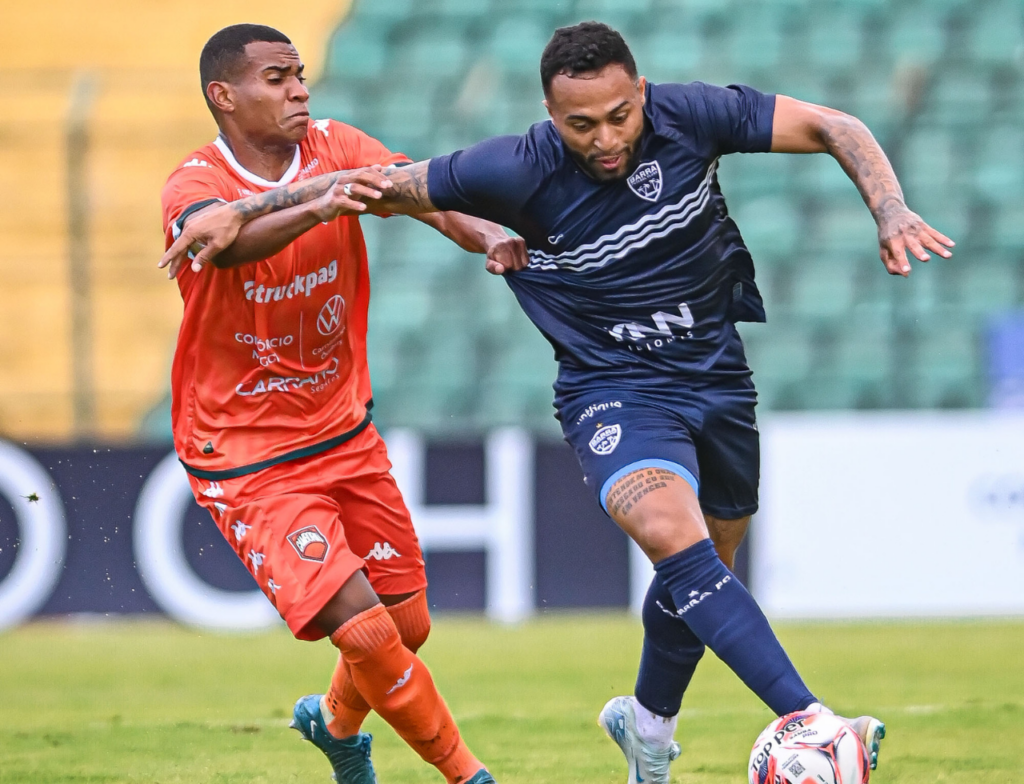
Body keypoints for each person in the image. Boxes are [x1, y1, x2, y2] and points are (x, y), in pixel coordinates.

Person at [164, 21, 956, 784]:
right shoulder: (513, 167)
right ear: (550, 117)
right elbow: (380, 190)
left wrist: (889, 208)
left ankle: (647, 726)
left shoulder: (694, 114)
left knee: (700, 563)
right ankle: (807, 718)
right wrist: (250, 208)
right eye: (583, 125)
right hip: (608, 388)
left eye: (620, 116)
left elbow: (832, 124)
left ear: (642, 93)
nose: (607, 139)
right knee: (669, 535)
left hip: (715, 376)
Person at [159, 23, 528, 784]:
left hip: (341, 429)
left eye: (299, 73)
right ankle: (468, 776)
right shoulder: (195, 181)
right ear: (223, 96)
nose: (299, 88)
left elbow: (421, 196)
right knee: (363, 630)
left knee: (406, 623)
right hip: (246, 452)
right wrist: (322, 205)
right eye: (275, 77)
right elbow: (220, 243)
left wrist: (486, 231)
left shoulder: (337, 145)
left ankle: (334, 727)